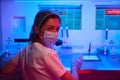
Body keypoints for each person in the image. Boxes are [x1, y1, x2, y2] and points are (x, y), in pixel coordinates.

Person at [1, 10, 83, 80]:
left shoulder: (25, 49)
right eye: (50, 28)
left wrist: (26, 68)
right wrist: (74, 65)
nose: (54, 33)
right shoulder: (48, 53)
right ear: (36, 29)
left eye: (57, 29)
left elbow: (5, 70)